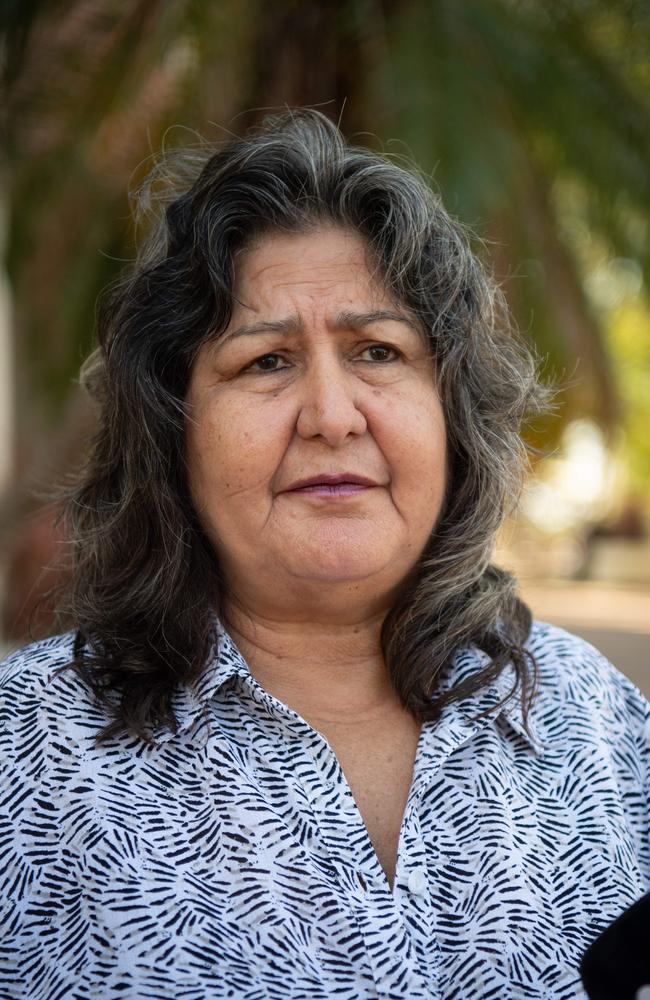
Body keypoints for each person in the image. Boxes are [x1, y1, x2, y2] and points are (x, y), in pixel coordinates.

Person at [0, 110, 647, 1000]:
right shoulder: (27, 753)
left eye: (379, 352)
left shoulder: (601, 724)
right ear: (171, 433)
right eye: (265, 363)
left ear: (453, 416)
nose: (333, 416)